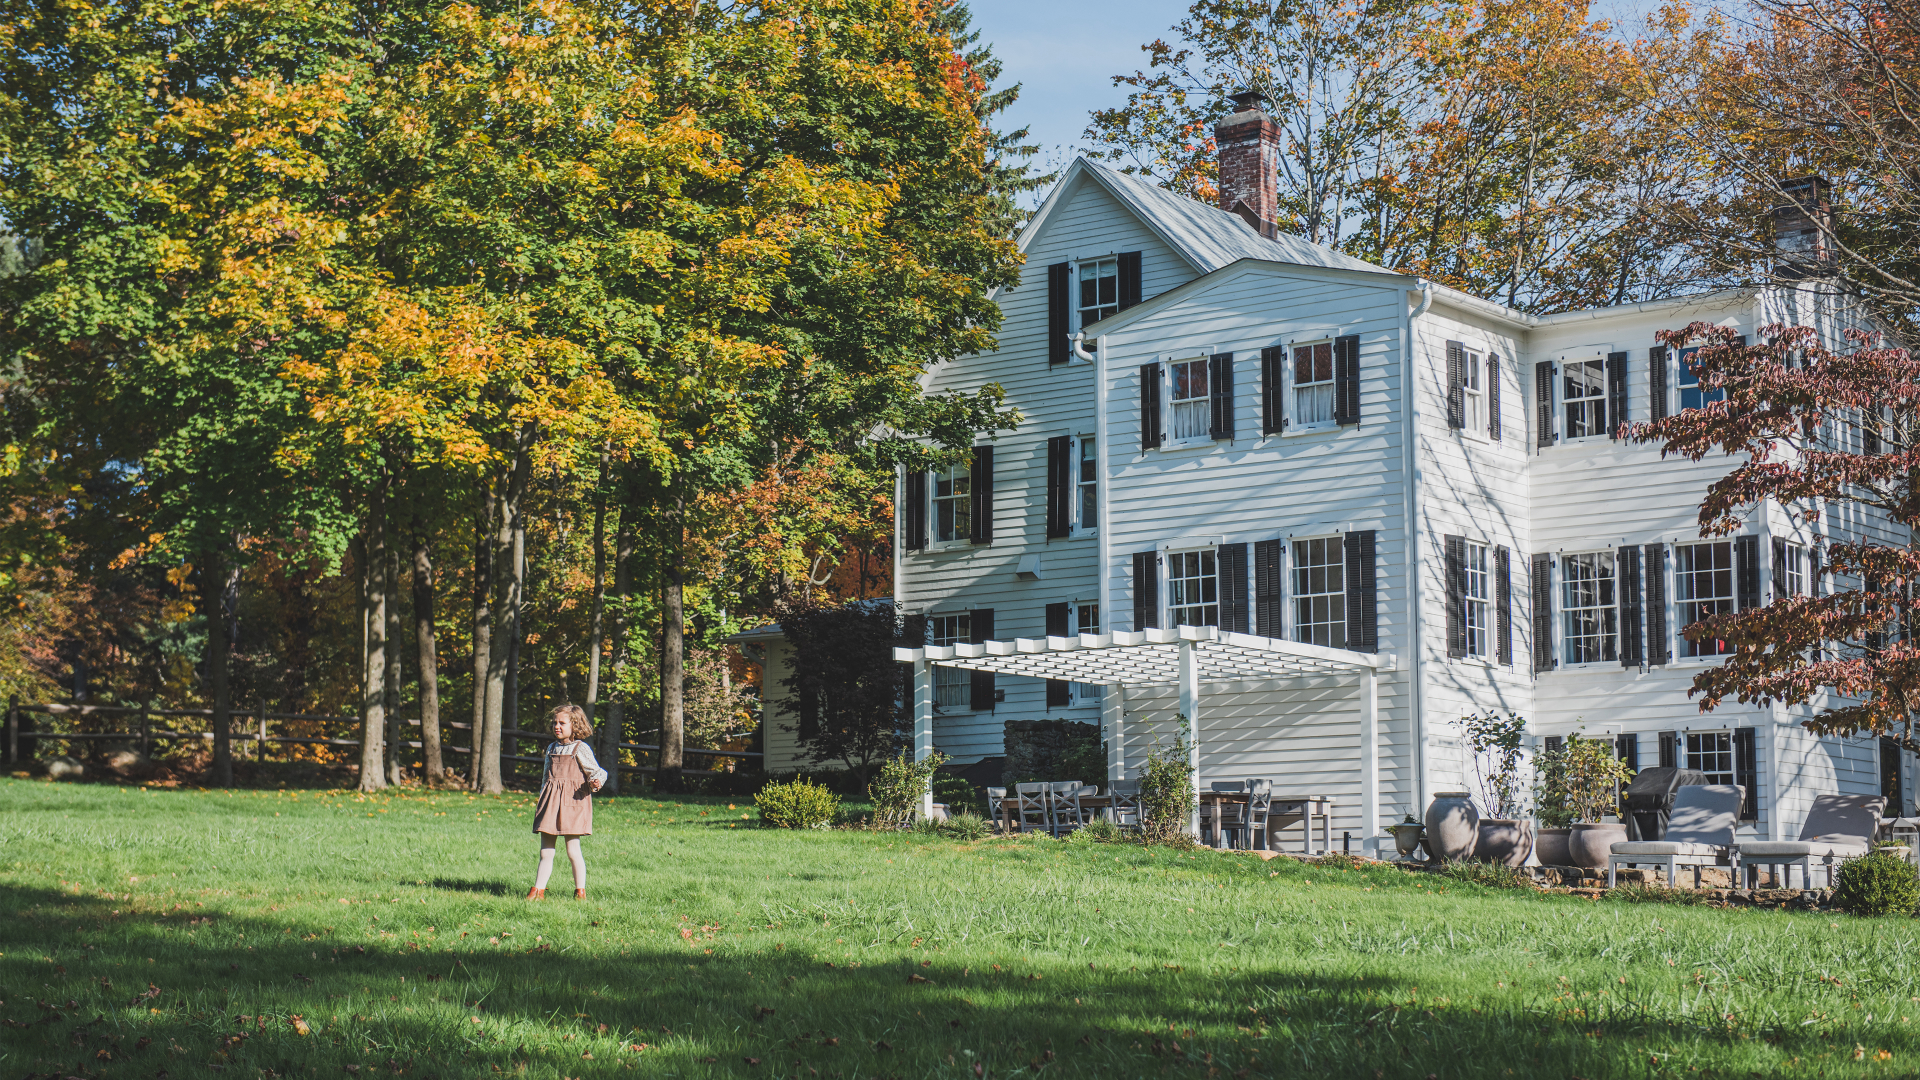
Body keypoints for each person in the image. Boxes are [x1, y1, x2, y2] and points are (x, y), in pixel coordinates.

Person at [527, 704, 607, 900]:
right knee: (546, 851)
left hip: (573, 803)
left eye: (562, 723)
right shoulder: (552, 748)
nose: (557, 726)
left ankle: (580, 892)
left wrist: (595, 782)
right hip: (551, 803)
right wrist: (542, 800)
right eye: (555, 723)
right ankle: (538, 891)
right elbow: (546, 776)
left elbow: (598, 771)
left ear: (575, 725)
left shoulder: (581, 748)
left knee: (573, 850)